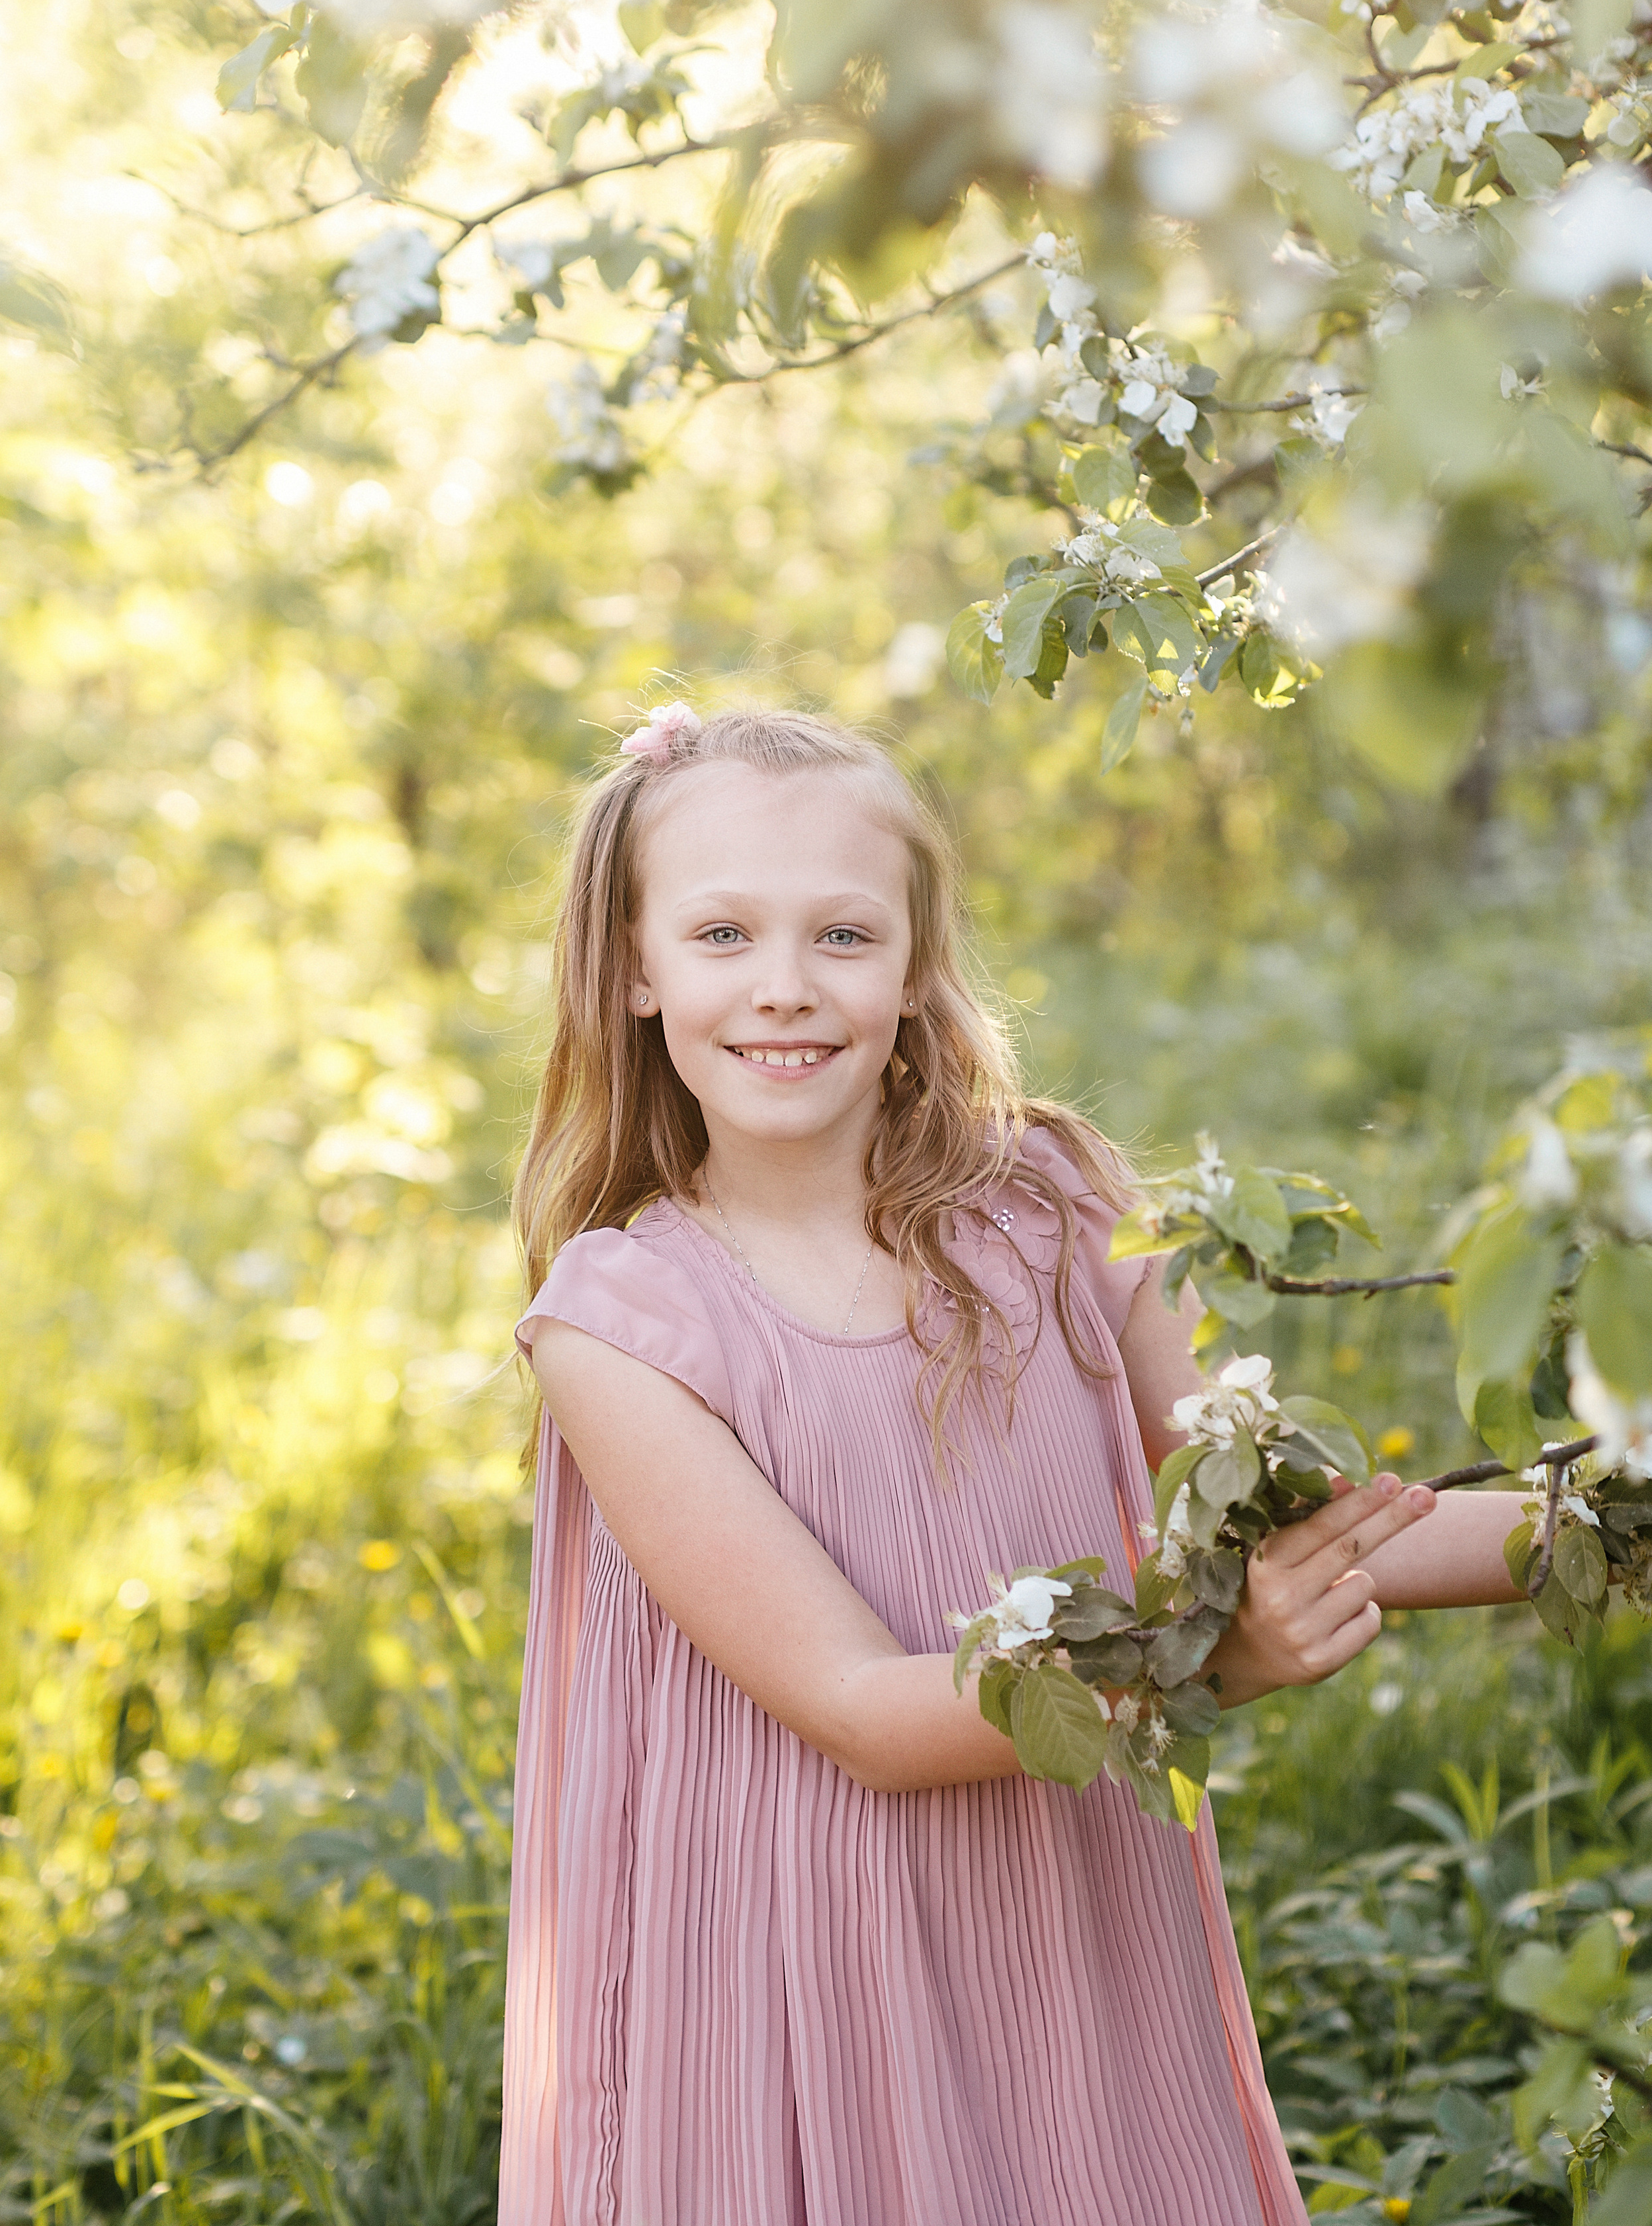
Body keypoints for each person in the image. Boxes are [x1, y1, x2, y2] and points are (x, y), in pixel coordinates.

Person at [499, 703, 1528, 2226]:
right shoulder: (623, 1324)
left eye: (843, 935)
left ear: (915, 965)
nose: (784, 986)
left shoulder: (1050, 1207)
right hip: (806, 1973)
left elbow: (1282, 1529)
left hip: (1066, 1923)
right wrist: (1211, 1664)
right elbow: (862, 1709)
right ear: (635, 968)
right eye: (721, 934)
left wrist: (1594, 1521)